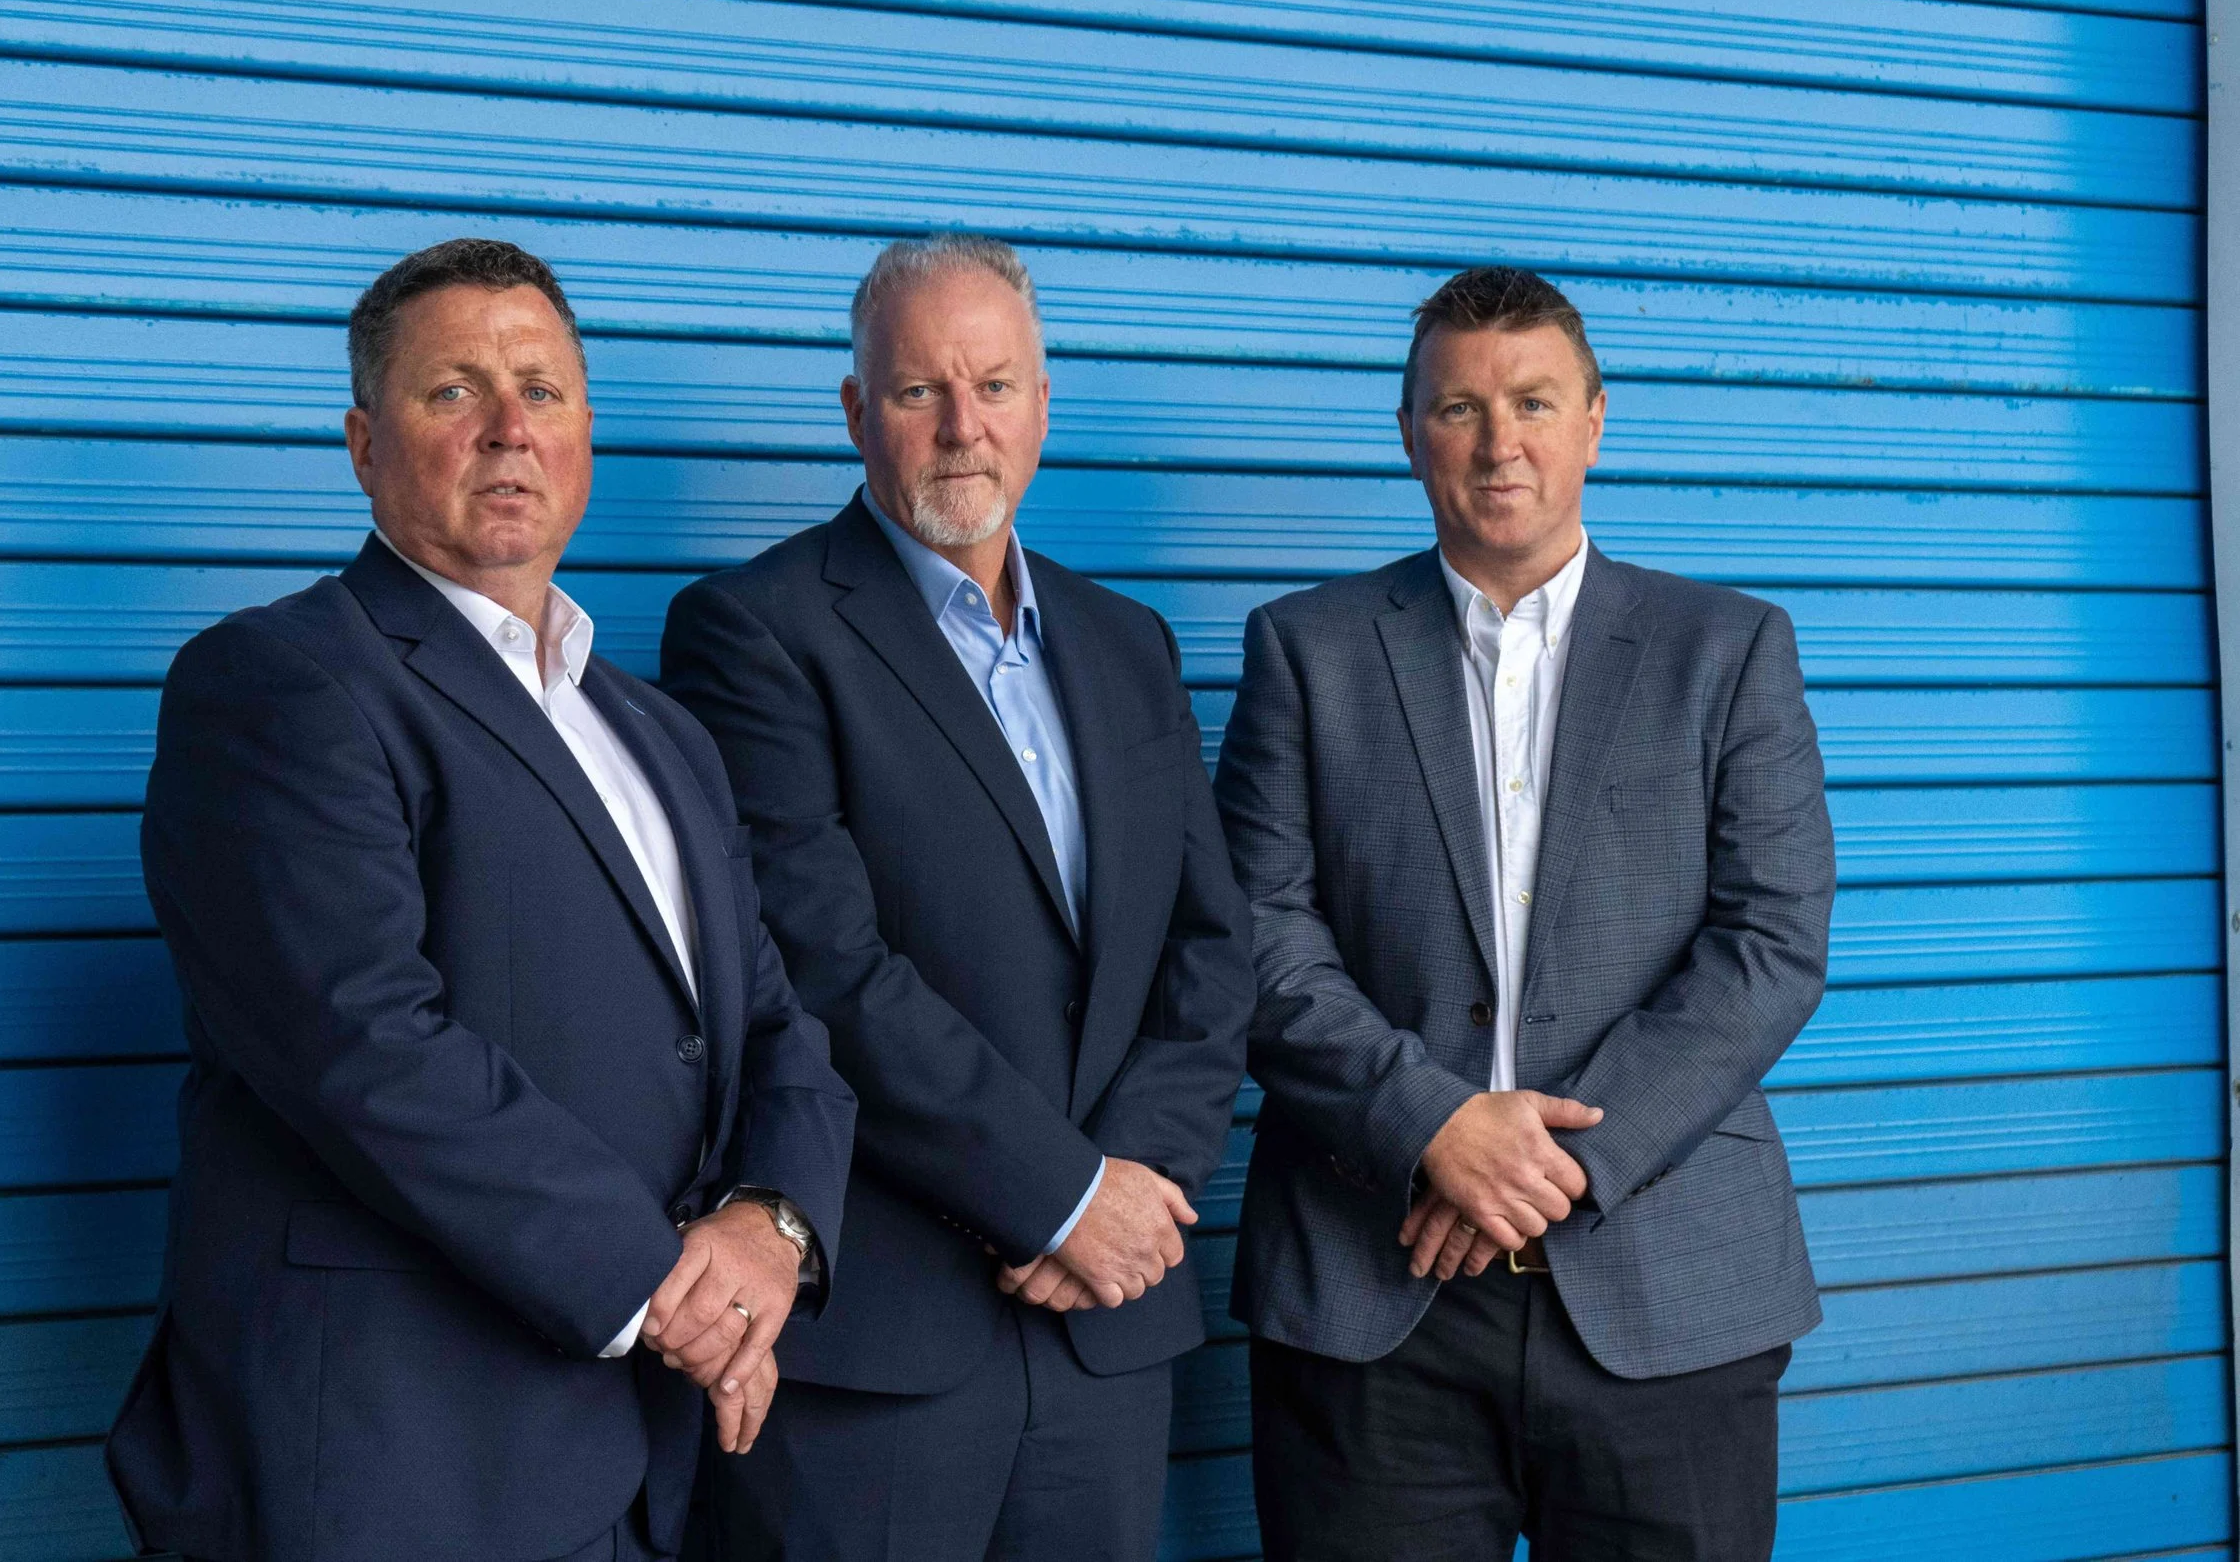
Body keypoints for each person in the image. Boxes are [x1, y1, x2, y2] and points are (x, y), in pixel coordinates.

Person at [105, 238, 856, 1562]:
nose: (509, 426)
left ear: (586, 435)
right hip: (402, 1461)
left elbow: (778, 1028)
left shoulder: (659, 730)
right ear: (362, 442)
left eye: (543, 390)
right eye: (453, 391)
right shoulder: (282, 683)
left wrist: (772, 1230)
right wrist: (668, 1290)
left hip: (639, 1450)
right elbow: (365, 1045)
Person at [1216, 265, 1834, 1560]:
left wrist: (1553, 1166)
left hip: (1669, 1300)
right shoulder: (1306, 651)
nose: (1500, 441)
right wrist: (1430, 1122)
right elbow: (1257, 936)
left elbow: (1770, 943)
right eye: (1459, 408)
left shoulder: (1726, 650)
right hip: (1373, 1302)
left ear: (1596, 420)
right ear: (1408, 432)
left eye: (1534, 401)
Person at [659, 233, 1255, 1561]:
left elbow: (1211, 950)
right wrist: (1057, 1193)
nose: (961, 426)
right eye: (920, 389)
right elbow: (821, 965)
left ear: (1045, 405)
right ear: (857, 411)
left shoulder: (1127, 643)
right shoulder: (757, 630)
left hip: (1107, 1329)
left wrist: (1134, 1185)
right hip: (884, 1348)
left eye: (994, 384)